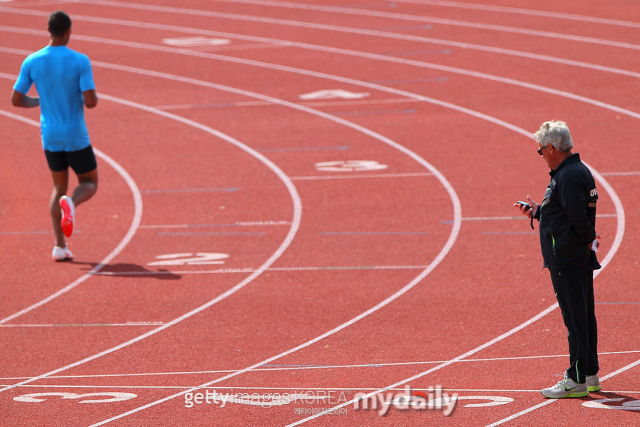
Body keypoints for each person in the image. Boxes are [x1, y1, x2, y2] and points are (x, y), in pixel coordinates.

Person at [515, 120, 602, 399]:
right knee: (583, 316)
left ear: (552, 147)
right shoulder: (576, 171)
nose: (541, 156)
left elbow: (577, 217)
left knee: (574, 319)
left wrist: (589, 238)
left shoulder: (566, 176)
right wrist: (540, 213)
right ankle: (589, 373)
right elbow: (567, 212)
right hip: (574, 255)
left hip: (567, 258)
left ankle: (576, 378)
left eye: (541, 151)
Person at [11, 10, 98, 261]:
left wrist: (40, 101)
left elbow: (17, 100)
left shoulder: (32, 61)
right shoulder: (80, 60)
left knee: (58, 186)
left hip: (49, 135)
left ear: (48, 31)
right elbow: (91, 102)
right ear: (69, 31)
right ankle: (71, 203)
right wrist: (90, 98)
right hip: (75, 135)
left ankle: (60, 247)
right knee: (89, 183)